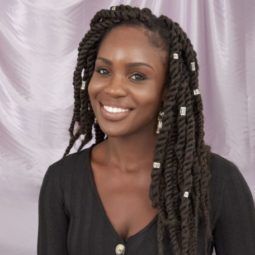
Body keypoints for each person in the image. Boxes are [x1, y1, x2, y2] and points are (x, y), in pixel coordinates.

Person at [37, 4, 255, 255]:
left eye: (137, 76)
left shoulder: (220, 181)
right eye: (104, 70)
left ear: (168, 91)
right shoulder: (62, 180)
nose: (113, 88)